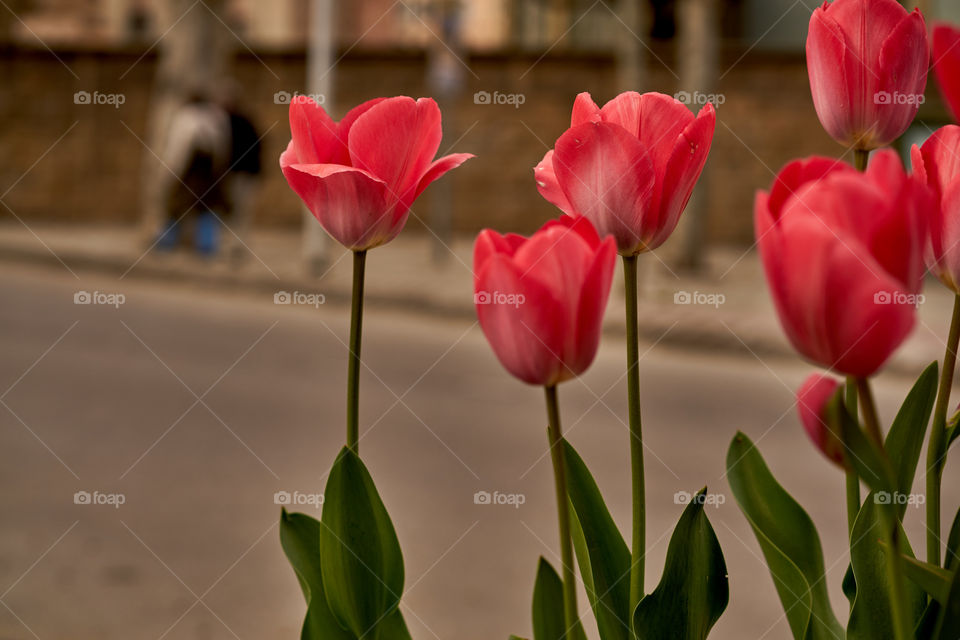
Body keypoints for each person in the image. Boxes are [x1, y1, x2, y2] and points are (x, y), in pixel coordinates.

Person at [156, 91, 230, 256]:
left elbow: (178, 148)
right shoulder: (216, 117)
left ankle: (167, 240)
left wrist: (170, 171)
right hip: (209, 172)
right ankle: (207, 244)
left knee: (175, 205)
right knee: (206, 207)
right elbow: (223, 147)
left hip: (188, 171)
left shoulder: (186, 118)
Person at [219, 86, 263, 263]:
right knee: (235, 212)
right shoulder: (232, 120)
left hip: (241, 174)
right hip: (238, 173)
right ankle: (232, 245)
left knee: (238, 211)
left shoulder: (235, 122)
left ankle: (236, 246)